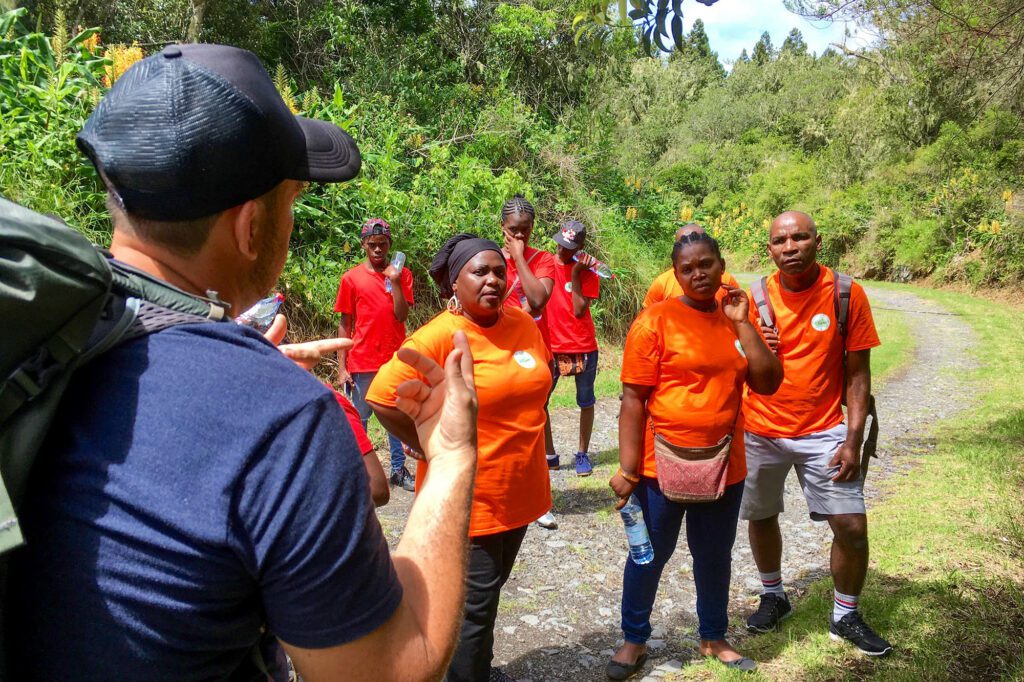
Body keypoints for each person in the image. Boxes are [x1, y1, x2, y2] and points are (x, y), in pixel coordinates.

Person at [4, 43, 480, 681]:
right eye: (290, 201)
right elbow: (393, 667)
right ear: (250, 226)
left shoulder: (47, 331)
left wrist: (238, 377)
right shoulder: (282, 417)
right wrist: (450, 460)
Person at [367, 234, 552, 682]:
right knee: (472, 609)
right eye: (480, 271)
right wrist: (433, 444)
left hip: (522, 490)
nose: (493, 279)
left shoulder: (523, 324)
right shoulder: (437, 337)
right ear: (455, 282)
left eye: (499, 271)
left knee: (486, 597)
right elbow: (380, 396)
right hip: (473, 498)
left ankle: (480, 670)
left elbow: (538, 387)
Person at [606, 231, 783, 679]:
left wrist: (743, 322)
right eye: (688, 268)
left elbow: (767, 382)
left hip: (725, 462)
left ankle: (713, 636)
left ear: (722, 265)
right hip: (658, 465)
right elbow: (632, 399)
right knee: (648, 554)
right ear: (675, 274)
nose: (698, 273)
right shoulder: (655, 321)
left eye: (707, 264)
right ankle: (633, 639)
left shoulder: (739, 314)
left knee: (714, 553)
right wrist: (627, 469)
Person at [741, 211, 892, 656]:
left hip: (825, 430)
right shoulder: (753, 297)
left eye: (799, 238)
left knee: (851, 526)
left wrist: (853, 439)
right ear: (769, 248)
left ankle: (845, 615)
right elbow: (736, 362)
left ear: (817, 242)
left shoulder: (846, 294)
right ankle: (774, 595)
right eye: (780, 240)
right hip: (760, 429)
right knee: (761, 516)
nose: (790, 247)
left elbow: (859, 376)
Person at [335, 217, 417, 492]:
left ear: (390, 244)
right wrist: (341, 367)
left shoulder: (402, 275)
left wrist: (394, 281)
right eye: (373, 245)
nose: (378, 250)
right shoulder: (351, 278)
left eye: (383, 245)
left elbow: (401, 314)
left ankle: (397, 469)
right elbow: (345, 324)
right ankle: (358, 472)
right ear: (364, 245)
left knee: (394, 417)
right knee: (360, 418)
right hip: (361, 361)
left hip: (394, 362)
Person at [545, 219, 602, 478]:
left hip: (582, 345)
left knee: (585, 401)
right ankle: (549, 454)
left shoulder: (589, 272)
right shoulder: (544, 265)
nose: (562, 251)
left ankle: (582, 453)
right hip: (551, 346)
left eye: (568, 247)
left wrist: (577, 273)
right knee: (540, 401)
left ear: (581, 247)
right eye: (560, 244)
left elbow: (579, 310)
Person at [642, 223, 739, 308]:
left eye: (705, 264)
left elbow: (740, 315)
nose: (698, 275)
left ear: (721, 266)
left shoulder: (727, 281)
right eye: (684, 242)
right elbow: (647, 315)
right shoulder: (662, 283)